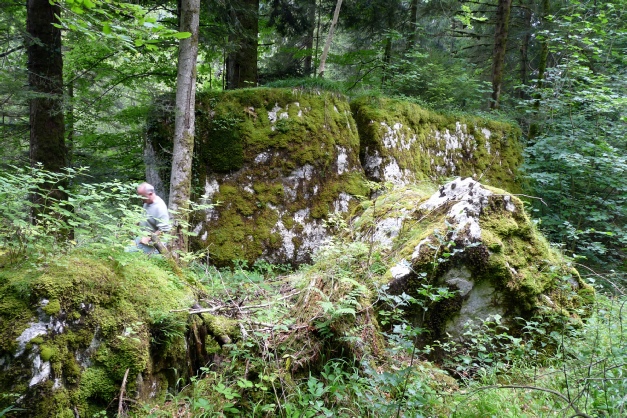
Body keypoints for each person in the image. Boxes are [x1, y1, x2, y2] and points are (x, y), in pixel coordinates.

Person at [134, 182, 171, 253]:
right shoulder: (146, 202)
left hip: (154, 246)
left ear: (150, 194)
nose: (140, 198)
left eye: (142, 196)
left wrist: (148, 238)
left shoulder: (160, 207)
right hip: (141, 239)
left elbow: (164, 230)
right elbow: (146, 218)